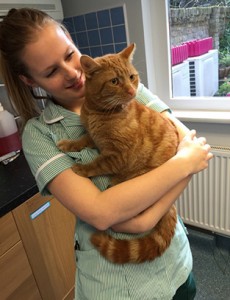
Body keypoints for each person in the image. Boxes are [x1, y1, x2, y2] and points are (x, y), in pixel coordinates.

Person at [0, 8, 213, 300]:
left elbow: (192, 150)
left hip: (176, 262)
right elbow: (101, 213)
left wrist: (145, 217)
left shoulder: (127, 89)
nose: (73, 73)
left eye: (69, 54)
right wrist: (181, 166)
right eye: (51, 71)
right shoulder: (39, 135)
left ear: (73, 42)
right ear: (29, 80)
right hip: (118, 286)